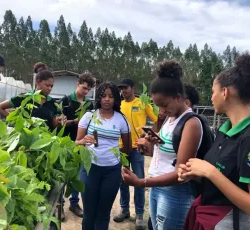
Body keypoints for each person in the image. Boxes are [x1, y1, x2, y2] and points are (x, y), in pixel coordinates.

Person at [178, 53, 250, 229]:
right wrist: (197, 174)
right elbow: (227, 179)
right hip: (210, 219)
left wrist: (210, 172)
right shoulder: (224, 131)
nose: (211, 98)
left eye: (213, 92)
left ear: (225, 92)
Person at [122, 61, 203, 230]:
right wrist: (148, 148)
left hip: (175, 193)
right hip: (158, 188)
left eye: (164, 105)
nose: (161, 110)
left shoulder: (191, 123)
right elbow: (165, 153)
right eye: (157, 105)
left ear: (179, 98)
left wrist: (141, 182)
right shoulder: (170, 119)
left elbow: (181, 173)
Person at [76, 81, 132, 230]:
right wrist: (82, 141)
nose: (107, 99)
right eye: (103, 96)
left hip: (112, 171)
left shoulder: (121, 119)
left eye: (111, 96)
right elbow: (76, 143)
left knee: (103, 213)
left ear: (116, 99)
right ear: (98, 98)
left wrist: (120, 163)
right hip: (89, 170)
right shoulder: (89, 116)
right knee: (89, 213)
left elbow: (127, 148)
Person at [114, 78, 157, 229]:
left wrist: (147, 137)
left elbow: (157, 119)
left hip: (137, 149)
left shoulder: (142, 103)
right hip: (122, 148)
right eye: (121, 88)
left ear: (133, 88)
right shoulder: (118, 105)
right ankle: (124, 210)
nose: (123, 91)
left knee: (139, 180)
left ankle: (139, 214)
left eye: (125, 88)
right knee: (123, 179)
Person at [59, 72, 96, 219]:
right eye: (84, 87)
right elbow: (60, 122)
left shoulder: (89, 104)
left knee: (78, 175)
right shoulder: (66, 101)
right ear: (78, 83)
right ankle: (59, 205)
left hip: (82, 145)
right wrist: (76, 121)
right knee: (62, 175)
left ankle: (74, 203)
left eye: (88, 90)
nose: (85, 91)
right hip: (67, 143)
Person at [0, 62, 62, 131]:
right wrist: (15, 121)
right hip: (25, 138)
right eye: (47, 85)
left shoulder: (52, 103)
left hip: (45, 139)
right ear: (38, 82)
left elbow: (54, 125)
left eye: (51, 86)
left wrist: (59, 122)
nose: (49, 89)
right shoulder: (25, 98)